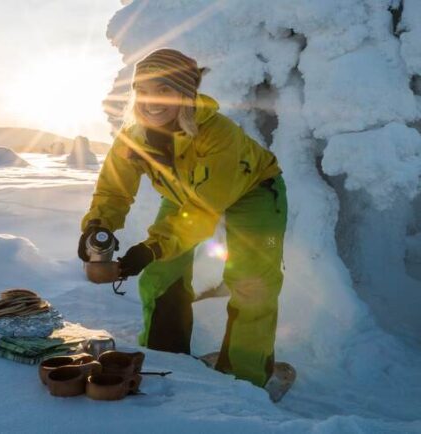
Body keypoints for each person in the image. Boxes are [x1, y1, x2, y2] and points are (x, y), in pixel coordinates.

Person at [78, 48, 287, 388]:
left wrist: (149, 249)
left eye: (165, 90)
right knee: (160, 274)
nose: (152, 100)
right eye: (144, 90)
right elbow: (113, 192)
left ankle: (247, 378)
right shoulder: (133, 139)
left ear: (186, 95)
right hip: (186, 195)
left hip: (254, 192)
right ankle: (165, 356)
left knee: (253, 282)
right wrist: (97, 228)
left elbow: (203, 212)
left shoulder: (219, 135)